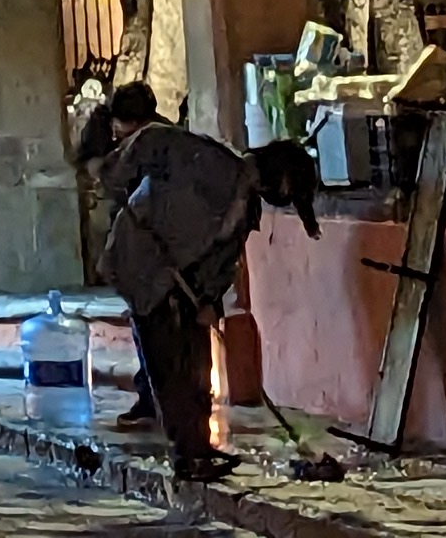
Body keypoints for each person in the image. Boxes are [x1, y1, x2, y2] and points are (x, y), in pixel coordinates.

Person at [92, 90, 317, 483]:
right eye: (285, 190)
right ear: (278, 174)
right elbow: (151, 139)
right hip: (142, 259)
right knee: (168, 360)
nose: (282, 199)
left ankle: (198, 445)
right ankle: (188, 453)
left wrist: (210, 299)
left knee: (197, 362)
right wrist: (112, 174)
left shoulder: (246, 209)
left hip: (185, 278)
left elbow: (222, 260)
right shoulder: (207, 160)